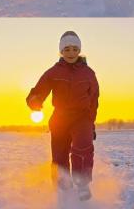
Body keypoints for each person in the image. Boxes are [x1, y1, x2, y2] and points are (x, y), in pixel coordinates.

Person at [26, 31, 99, 201]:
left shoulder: (89, 73)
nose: (71, 53)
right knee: (59, 154)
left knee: (83, 146)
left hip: (82, 117)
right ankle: (63, 185)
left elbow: (94, 100)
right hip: (60, 118)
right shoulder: (53, 72)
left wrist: (91, 124)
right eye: (67, 49)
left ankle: (82, 184)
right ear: (61, 51)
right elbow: (38, 91)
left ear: (79, 50)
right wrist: (34, 101)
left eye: (74, 49)